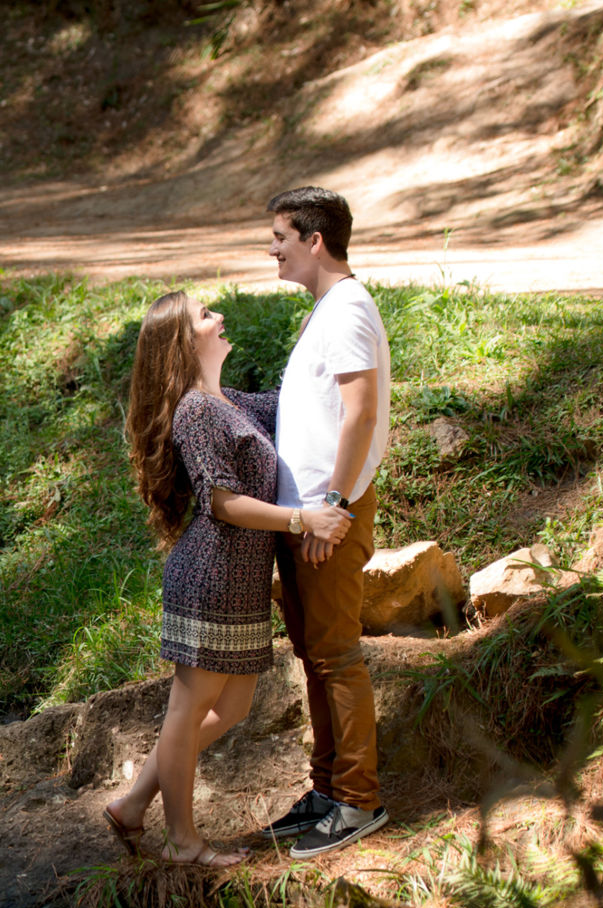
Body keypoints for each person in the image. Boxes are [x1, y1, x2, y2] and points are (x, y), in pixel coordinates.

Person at [102, 291, 351, 866]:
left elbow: (288, 404)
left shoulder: (228, 402)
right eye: (206, 316)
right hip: (211, 577)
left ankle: (134, 803)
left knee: (233, 707)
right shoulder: (196, 412)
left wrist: (313, 334)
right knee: (187, 713)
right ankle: (183, 842)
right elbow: (223, 502)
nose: (220, 318)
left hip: (238, 583)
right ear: (186, 342)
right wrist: (301, 518)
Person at [258, 186, 393, 858]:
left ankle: (358, 800)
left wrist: (335, 508)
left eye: (280, 237)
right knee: (316, 656)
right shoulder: (326, 310)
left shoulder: (347, 309)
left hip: (327, 519)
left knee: (337, 656)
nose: (272, 250)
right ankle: (326, 789)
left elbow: (361, 412)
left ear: (315, 240)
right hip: (306, 516)